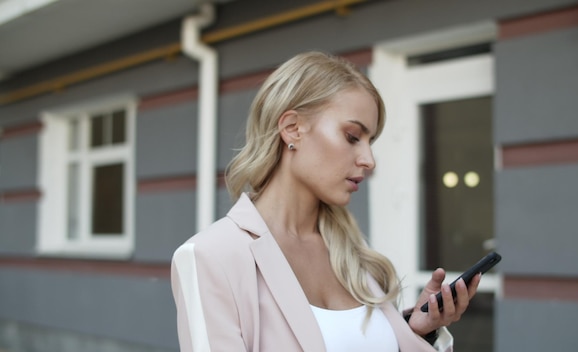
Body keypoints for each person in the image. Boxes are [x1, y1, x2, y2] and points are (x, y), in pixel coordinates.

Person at [171, 51, 481, 352]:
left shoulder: (353, 252)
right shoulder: (210, 258)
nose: (369, 160)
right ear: (293, 128)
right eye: (351, 137)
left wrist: (416, 333)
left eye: (370, 141)